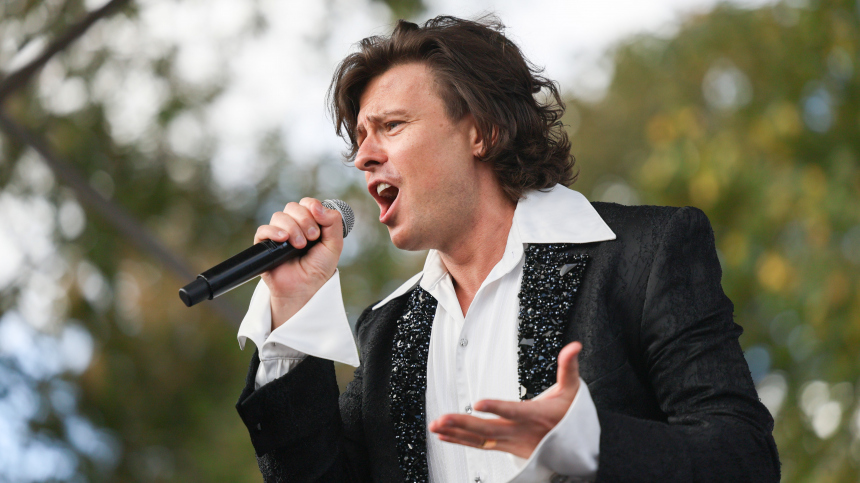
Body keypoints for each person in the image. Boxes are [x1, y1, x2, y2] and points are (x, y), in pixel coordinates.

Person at [234, 15, 780, 483]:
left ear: (483, 133)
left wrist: (588, 440)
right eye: (360, 139)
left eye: (392, 126)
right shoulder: (385, 332)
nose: (363, 157)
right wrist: (293, 310)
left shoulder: (647, 254)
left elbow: (744, 457)